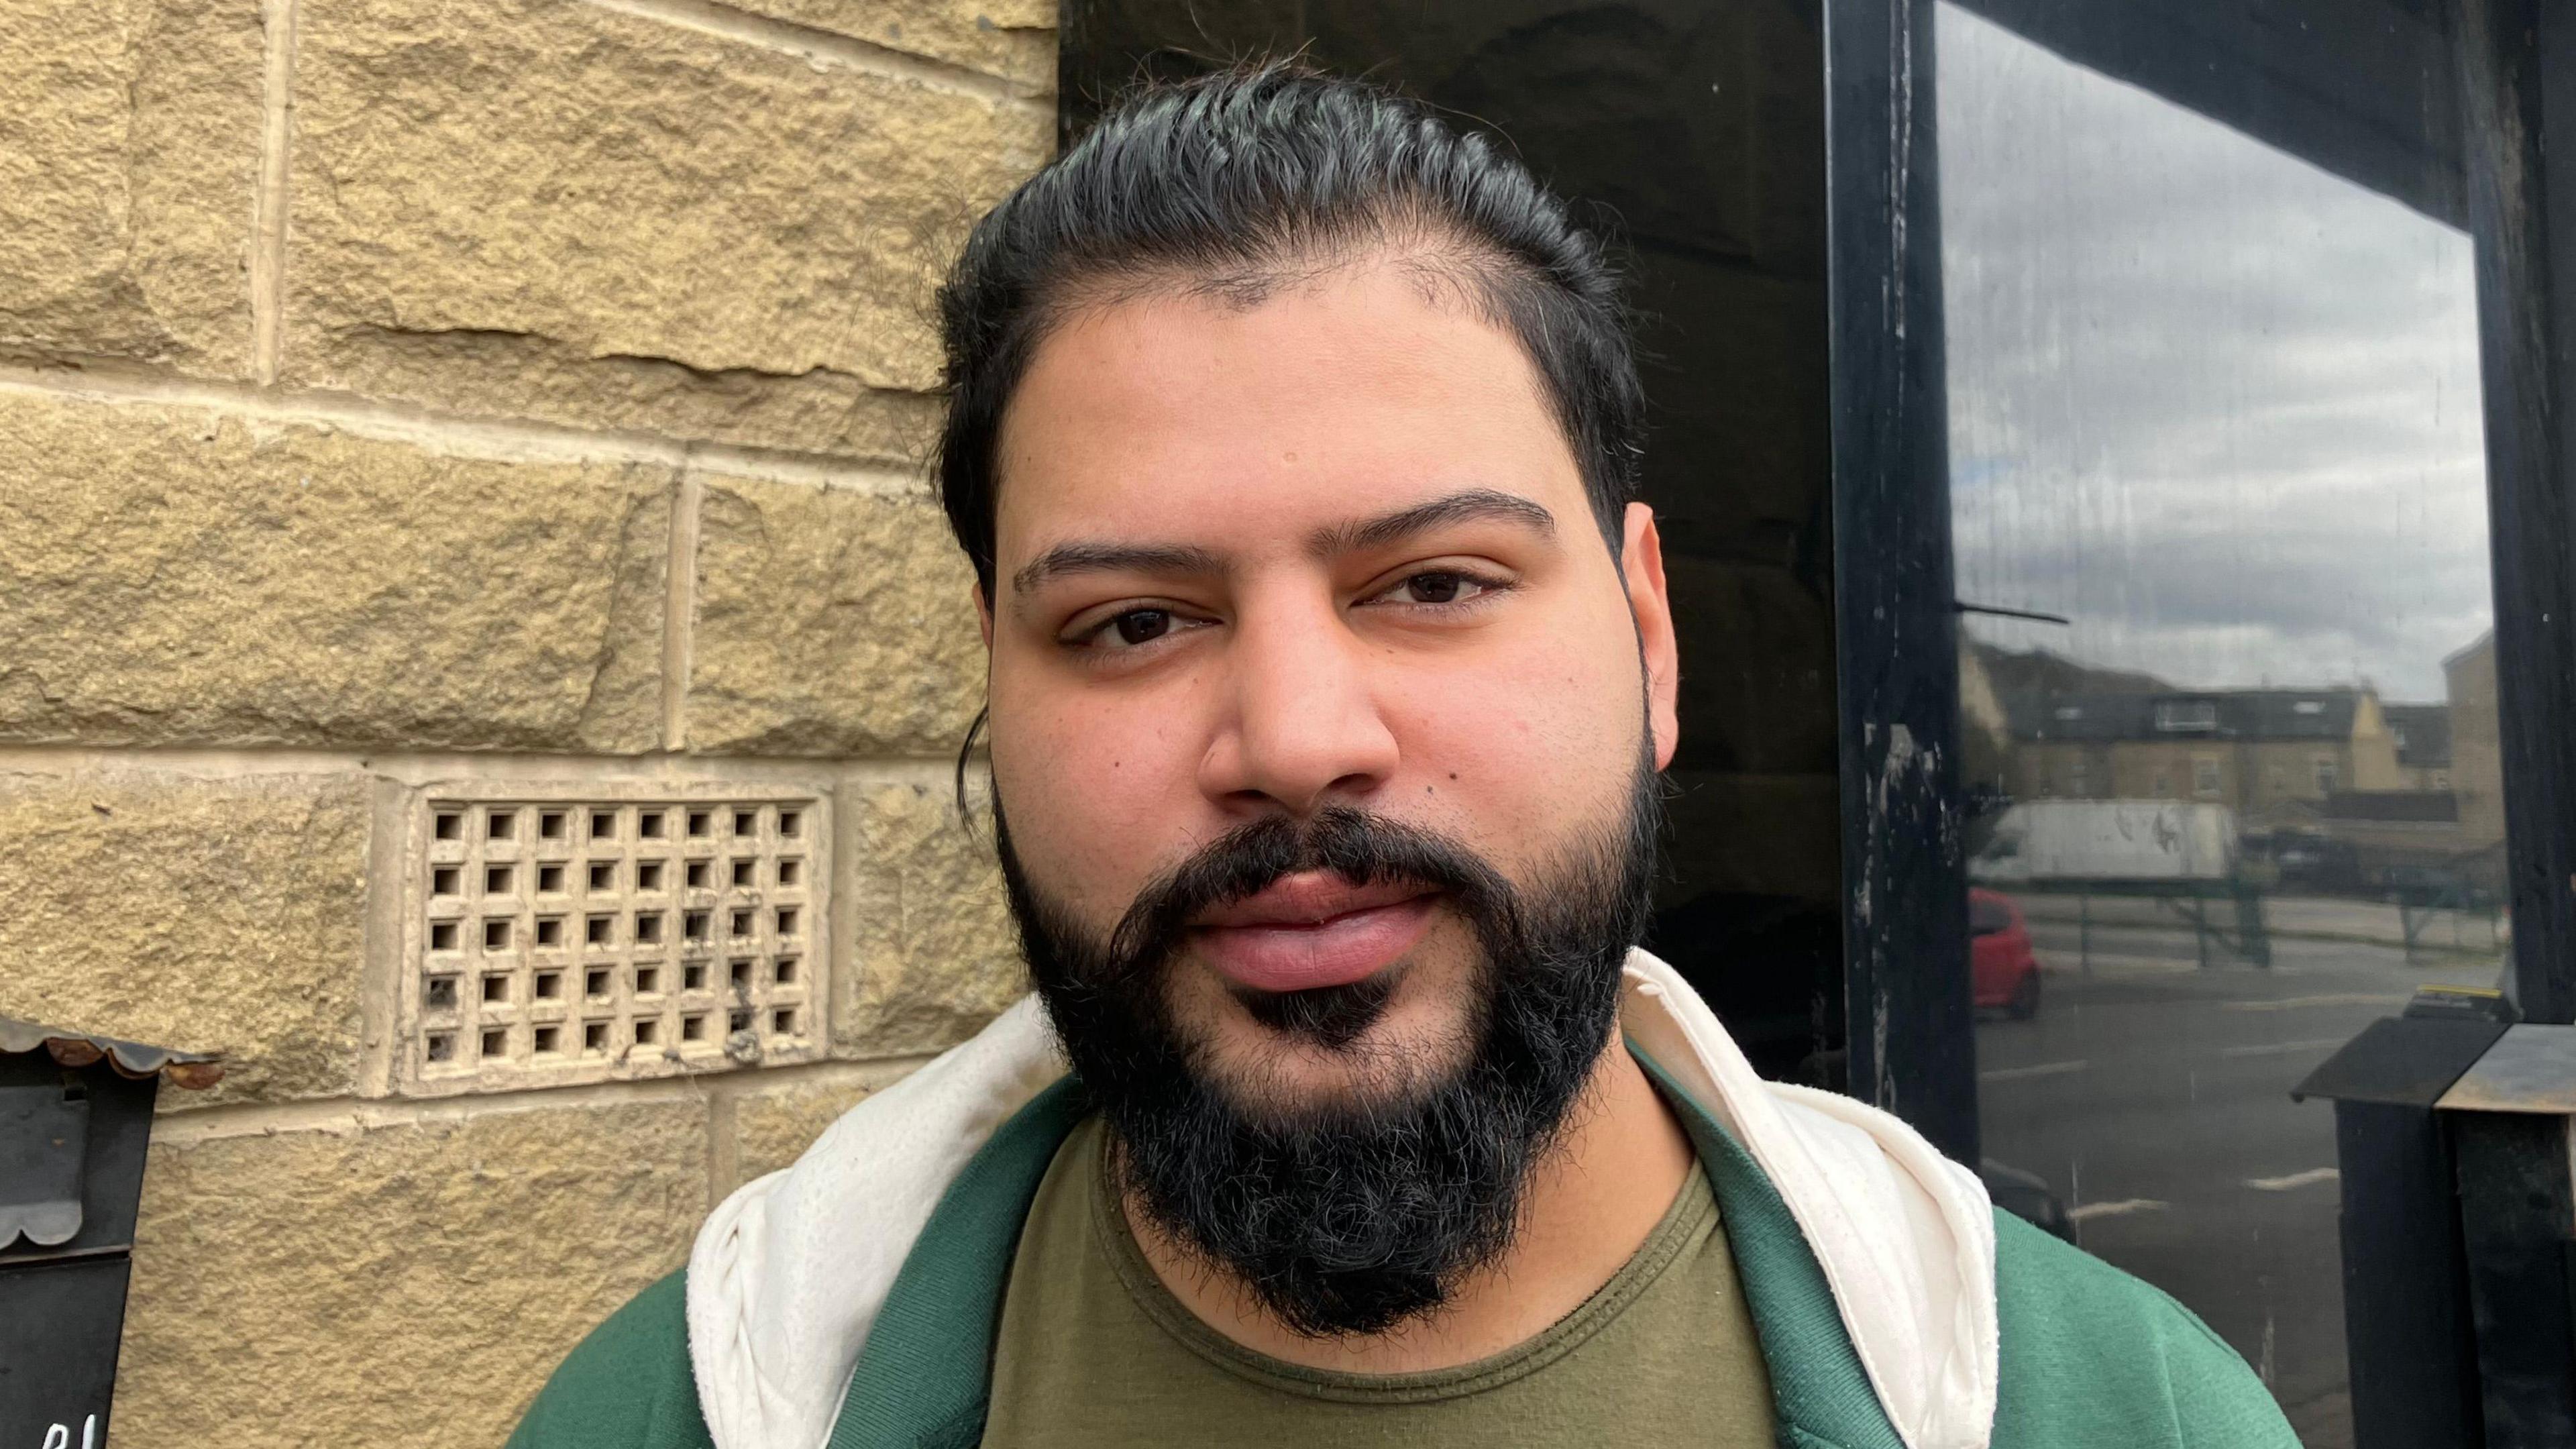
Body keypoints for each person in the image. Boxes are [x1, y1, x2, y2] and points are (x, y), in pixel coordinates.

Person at [509, 64, 2297, 1449]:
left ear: (1650, 638)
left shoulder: (2118, 1410)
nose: (1295, 742)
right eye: (1133, 621)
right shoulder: (676, 1411)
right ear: (996, 680)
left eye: (1435, 583)